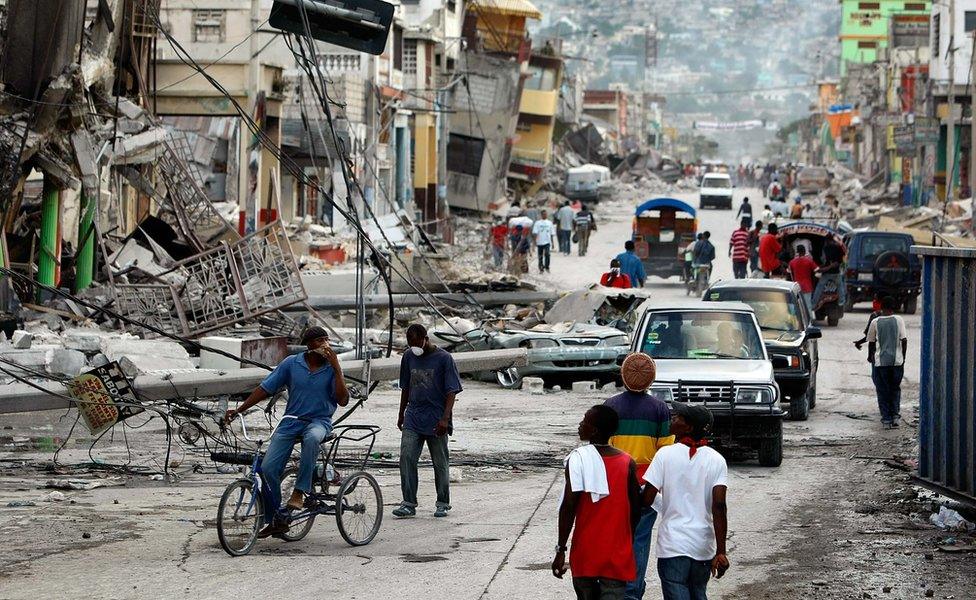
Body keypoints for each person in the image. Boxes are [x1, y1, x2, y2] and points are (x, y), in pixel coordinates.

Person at [224, 326, 349, 538]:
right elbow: (265, 388)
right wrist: (238, 410)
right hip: (291, 421)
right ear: (309, 345)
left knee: (312, 438)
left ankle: (300, 491)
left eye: (326, 340)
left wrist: (337, 368)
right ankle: (276, 518)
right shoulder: (292, 364)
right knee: (268, 468)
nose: (325, 345)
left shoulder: (330, 367)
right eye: (320, 341)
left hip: (319, 421)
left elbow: (343, 400)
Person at [641, 403, 729, 600]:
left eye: (678, 417)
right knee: (699, 593)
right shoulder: (717, 460)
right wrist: (721, 552)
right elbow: (719, 506)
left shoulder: (664, 455)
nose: (673, 418)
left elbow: (646, 499)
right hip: (702, 546)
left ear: (688, 428)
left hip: (673, 545)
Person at [553, 405, 641, 600]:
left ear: (593, 430)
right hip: (617, 552)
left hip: (586, 551)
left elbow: (568, 507)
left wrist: (560, 549)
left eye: (584, 421)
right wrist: (628, 541)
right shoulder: (627, 462)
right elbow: (636, 510)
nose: (580, 425)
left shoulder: (578, 459)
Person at [605, 353, 673, 600]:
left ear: (623, 375)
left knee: (615, 538)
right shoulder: (659, 409)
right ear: (651, 378)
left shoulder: (609, 406)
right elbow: (665, 451)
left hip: (615, 485)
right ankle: (632, 592)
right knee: (640, 539)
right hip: (647, 487)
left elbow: (604, 446)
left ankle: (613, 587)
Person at [393, 324, 463, 518]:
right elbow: (405, 387)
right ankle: (408, 502)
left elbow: (451, 391)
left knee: (440, 462)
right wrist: (401, 414)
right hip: (414, 415)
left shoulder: (444, 359)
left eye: (416, 343)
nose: (414, 347)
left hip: (436, 417)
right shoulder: (408, 357)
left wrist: (445, 418)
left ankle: (442, 502)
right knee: (406, 457)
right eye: (410, 344)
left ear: (425, 338)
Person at [866, 296, 908, 429]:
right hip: (897, 362)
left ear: (881, 307)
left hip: (881, 363)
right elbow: (904, 340)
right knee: (895, 389)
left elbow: (871, 343)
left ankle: (886, 419)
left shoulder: (875, 322)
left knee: (882, 390)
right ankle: (895, 416)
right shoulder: (899, 320)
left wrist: (870, 357)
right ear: (893, 308)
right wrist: (903, 357)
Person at [812, 235, 846, 309]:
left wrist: (824, 267)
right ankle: (841, 302)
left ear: (826, 240)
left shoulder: (825, 248)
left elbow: (823, 260)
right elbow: (841, 260)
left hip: (826, 273)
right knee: (840, 286)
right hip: (836, 272)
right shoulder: (838, 247)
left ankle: (813, 304)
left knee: (819, 287)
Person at [788, 245, 817, 311]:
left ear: (797, 252)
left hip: (796, 287)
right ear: (804, 251)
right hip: (807, 287)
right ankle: (809, 320)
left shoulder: (792, 262)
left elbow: (789, 273)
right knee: (807, 306)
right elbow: (817, 271)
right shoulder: (809, 261)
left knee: (795, 306)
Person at [533, 209, 556, 273]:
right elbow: (535, 233)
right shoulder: (537, 223)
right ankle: (541, 268)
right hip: (540, 242)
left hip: (547, 242)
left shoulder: (550, 223)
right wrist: (534, 242)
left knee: (547, 254)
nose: (545, 215)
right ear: (541, 215)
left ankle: (547, 267)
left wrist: (553, 243)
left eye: (546, 214)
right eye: (543, 214)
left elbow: (551, 233)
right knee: (540, 256)